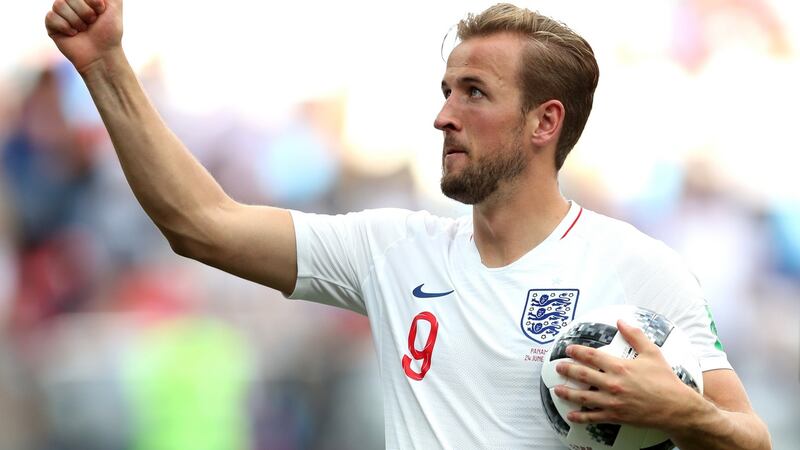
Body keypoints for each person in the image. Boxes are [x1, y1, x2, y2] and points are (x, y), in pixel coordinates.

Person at [44, 1, 771, 449]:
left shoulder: (639, 268)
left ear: (544, 122)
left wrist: (679, 411)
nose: (443, 115)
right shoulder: (394, 251)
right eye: (446, 90)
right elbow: (199, 222)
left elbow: (751, 441)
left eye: (474, 93)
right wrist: (106, 64)